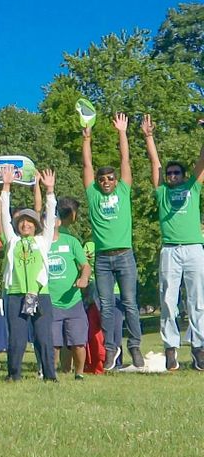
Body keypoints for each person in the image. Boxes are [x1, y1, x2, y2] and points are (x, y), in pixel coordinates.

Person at [141, 114, 204, 371]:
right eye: (170, 173)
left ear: (184, 174)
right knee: (167, 300)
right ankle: (171, 350)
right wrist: (148, 137)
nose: (173, 175)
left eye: (177, 172)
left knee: (198, 300)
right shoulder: (163, 191)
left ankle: (199, 349)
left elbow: (202, 160)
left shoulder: (194, 186)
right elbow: (155, 163)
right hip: (170, 251)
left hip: (193, 249)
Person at [81, 113, 143, 369]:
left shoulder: (124, 190)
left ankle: (136, 346)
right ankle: (109, 349)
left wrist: (122, 132)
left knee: (129, 303)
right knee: (106, 305)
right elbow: (86, 165)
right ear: (97, 182)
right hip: (103, 259)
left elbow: (125, 160)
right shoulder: (93, 195)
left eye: (110, 178)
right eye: (102, 178)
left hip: (125, 255)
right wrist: (87, 138)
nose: (106, 181)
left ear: (116, 181)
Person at [0, 167, 58, 382]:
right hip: (15, 293)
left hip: (39, 293)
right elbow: (4, 215)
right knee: (17, 338)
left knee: (43, 337)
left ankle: (50, 376)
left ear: (35, 226)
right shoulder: (12, 241)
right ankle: (13, 375)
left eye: (30, 221)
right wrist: (6, 187)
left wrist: (49, 191)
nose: (25, 224)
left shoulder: (43, 241)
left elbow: (50, 218)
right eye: (22, 221)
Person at [48, 198, 92, 379]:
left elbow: (85, 266)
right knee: (54, 342)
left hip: (73, 301)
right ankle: (55, 373)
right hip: (50, 301)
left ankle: (79, 373)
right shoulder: (40, 243)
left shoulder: (71, 241)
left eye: (53, 219)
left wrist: (83, 279)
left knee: (78, 341)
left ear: (59, 221)